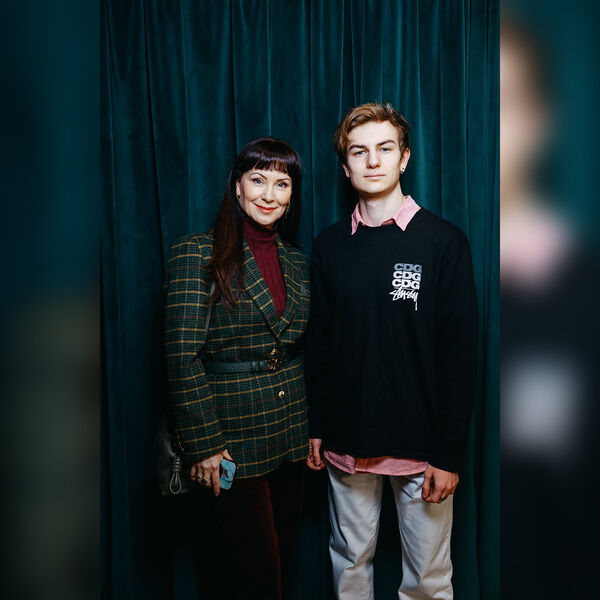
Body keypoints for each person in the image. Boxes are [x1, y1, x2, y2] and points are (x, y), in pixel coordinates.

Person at [305, 103, 478, 599]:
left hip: (423, 447)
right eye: (359, 152)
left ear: (404, 158)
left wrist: (447, 453)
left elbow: (460, 356)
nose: (373, 161)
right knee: (349, 564)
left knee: (427, 578)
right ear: (345, 166)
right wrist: (317, 426)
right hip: (347, 437)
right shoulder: (329, 246)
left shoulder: (444, 242)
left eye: (384, 148)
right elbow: (320, 344)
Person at [165, 137, 310, 600]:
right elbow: (182, 357)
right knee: (254, 578)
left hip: (290, 435)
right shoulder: (198, 253)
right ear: (237, 186)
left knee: (283, 560)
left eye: (281, 184)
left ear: (292, 195)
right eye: (258, 180)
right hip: (229, 441)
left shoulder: (297, 262)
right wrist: (204, 445)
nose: (269, 194)